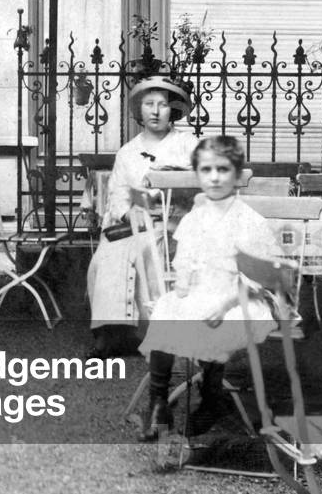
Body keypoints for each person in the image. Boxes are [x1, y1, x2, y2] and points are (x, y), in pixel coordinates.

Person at [137, 135, 278, 441]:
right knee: (167, 309)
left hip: (240, 298)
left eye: (223, 170)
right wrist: (183, 282)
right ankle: (158, 402)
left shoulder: (249, 220)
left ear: (237, 175)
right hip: (203, 291)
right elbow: (185, 260)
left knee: (215, 319)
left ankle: (212, 397)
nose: (214, 177)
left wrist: (225, 304)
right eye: (206, 170)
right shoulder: (195, 218)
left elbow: (258, 279)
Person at [85, 76, 198, 358]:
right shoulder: (128, 152)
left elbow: (206, 179)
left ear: (172, 110)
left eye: (162, 105)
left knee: (146, 248)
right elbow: (118, 194)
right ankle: (110, 334)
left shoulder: (188, 144)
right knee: (105, 255)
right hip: (134, 222)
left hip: (174, 221)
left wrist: (172, 181)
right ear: (140, 110)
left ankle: (148, 332)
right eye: (149, 104)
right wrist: (127, 213)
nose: (155, 111)